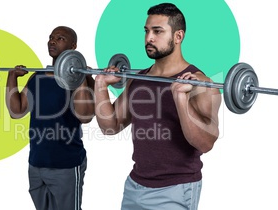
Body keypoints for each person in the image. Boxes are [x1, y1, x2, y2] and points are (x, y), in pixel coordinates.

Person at [94, 3, 221, 210]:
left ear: (178, 36)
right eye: (146, 31)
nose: (149, 38)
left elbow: (205, 143)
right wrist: (100, 84)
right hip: (135, 185)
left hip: (175, 189)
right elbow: (110, 126)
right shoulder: (139, 79)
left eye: (157, 31)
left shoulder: (200, 83)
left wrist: (180, 99)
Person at [5, 26, 95, 210]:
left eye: (60, 38)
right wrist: (12, 77)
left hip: (66, 166)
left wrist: (81, 75)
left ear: (73, 46)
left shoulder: (79, 80)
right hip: (36, 164)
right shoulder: (36, 77)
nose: (52, 41)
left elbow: (85, 116)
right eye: (51, 37)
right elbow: (17, 111)